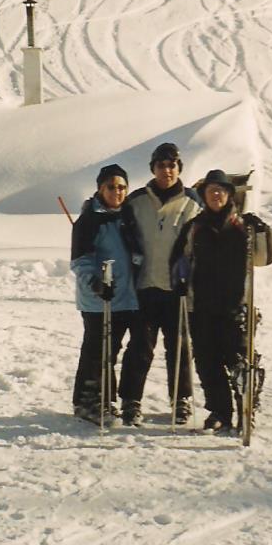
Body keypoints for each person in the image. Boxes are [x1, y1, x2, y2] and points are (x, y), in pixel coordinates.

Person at [170, 169, 269, 434]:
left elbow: (265, 257)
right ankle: (220, 412)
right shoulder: (195, 227)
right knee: (207, 363)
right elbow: (179, 259)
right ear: (203, 195)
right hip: (201, 306)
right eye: (211, 190)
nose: (216, 195)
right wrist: (179, 278)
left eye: (221, 190)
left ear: (229, 195)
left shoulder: (243, 226)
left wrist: (262, 232)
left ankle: (246, 409)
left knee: (240, 362)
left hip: (236, 306)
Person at [124, 143, 202, 427]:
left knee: (179, 346)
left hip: (176, 288)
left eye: (172, 165)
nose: (167, 171)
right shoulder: (136, 201)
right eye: (161, 165)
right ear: (152, 168)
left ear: (179, 168)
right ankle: (131, 400)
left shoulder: (193, 202)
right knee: (140, 346)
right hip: (144, 285)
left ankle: (181, 399)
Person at [70, 164, 144, 426]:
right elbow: (80, 261)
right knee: (96, 350)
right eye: (111, 187)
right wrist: (96, 283)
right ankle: (86, 401)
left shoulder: (127, 216)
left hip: (124, 296)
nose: (117, 192)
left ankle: (104, 399)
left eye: (122, 187)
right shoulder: (90, 220)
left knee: (110, 351)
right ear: (100, 189)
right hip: (98, 299)